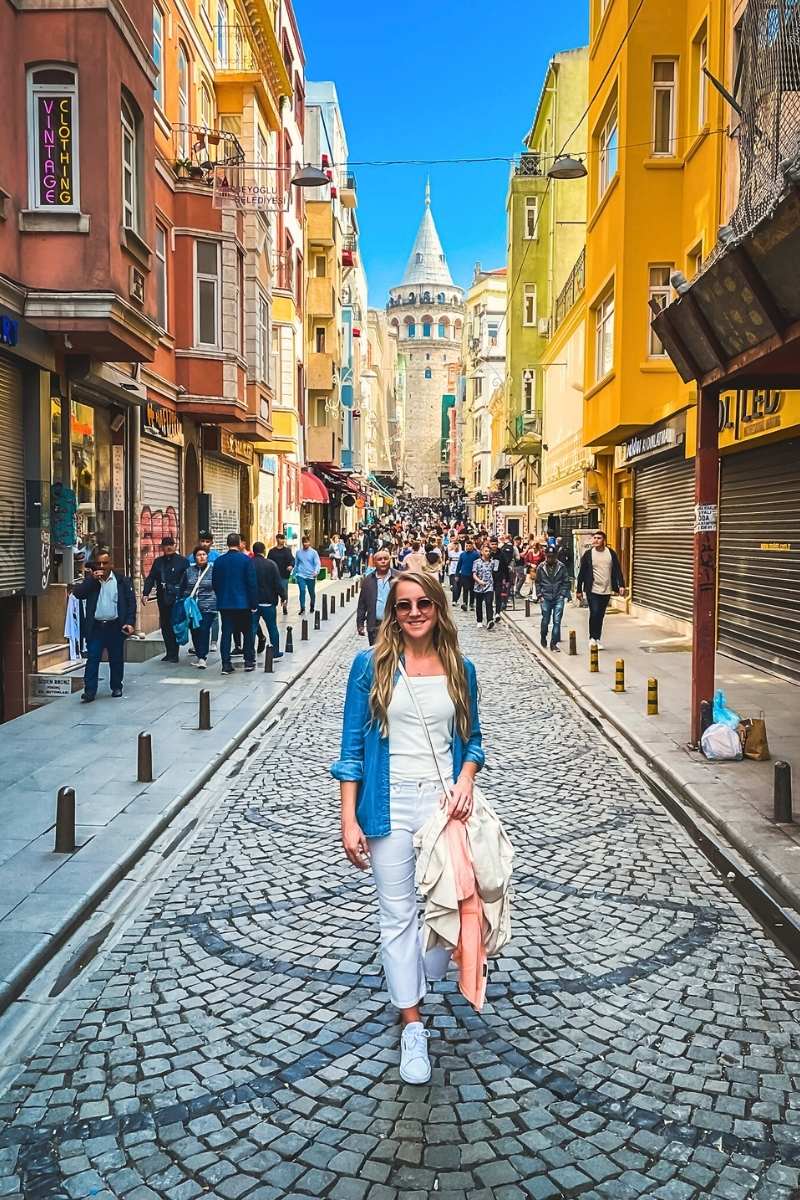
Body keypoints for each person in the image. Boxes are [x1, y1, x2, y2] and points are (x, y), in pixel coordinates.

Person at [332, 571, 484, 1084]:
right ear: (391, 613)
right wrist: (348, 816)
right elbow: (351, 751)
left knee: (454, 910)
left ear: (438, 607)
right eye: (403, 606)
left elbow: (474, 741)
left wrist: (465, 779)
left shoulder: (461, 669)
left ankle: (418, 977)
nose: (414, 612)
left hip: (445, 809)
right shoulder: (369, 666)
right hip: (387, 807)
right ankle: (413, 1024)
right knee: (397, 917)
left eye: (423, 603)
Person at [73, 548, 136, 702]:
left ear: (111, 564)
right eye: (99, 563)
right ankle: (89, 691)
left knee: (116, 658)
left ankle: (116, 686)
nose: (102, 566)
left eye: (105, 563)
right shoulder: (92, 581)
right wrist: (91, 580)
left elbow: (130, 603)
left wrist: (129, 622)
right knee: (93, 658)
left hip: (115, 626)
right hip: (96, 627)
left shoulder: (121, 581)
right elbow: (78, 594)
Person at [211, 533, 258, 674]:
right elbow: (251, 583)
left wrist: (222, 596)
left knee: (226, 633)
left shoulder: (219, 561)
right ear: (239, 543)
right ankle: (248, 661)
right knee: (247, 633)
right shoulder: (246, 560)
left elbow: (215, 583)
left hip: (225, 604)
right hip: (243, 604)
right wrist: (254, 604)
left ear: (227, 544)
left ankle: (226, 664)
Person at [142, 536, 190, 664]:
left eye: (171, 544)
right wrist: (145, 593)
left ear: (175, 546)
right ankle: (169, 652)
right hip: (163, 598)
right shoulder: (158, 562)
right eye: (166, 545)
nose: (168, 547)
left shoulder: (182, 562)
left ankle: (175, 653)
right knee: (165, 625)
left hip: (177, 599)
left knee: (175, 624)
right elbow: (151, 578)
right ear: (162, 547)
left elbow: (188, 580)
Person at [576, 530, 626, 649]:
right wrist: (578, 590)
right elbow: (582, 573)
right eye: (595, 538)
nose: (596, 540)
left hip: (607, 589)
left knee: (601, 615)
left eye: (599, 538)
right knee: (595, 612)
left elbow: (617, 570)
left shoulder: (611, 553)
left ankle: (597, 638)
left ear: (604, 540)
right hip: (592, 589)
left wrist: (621, 585)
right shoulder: (588, 554)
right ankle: (592, 638)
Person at [180, 545, 218, 668]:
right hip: (192, 608)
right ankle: (199, 653)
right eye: (198, 555)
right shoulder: (189, 571)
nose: (201, 557)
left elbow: (218, 587)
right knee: (194, 630)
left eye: (204, 555)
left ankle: (202, 657)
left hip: (208, 606)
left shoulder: (214, 571)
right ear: (194, 557)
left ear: (207, 556)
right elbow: (183, 587)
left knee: (203, 629)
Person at [252, 541, 285, 661]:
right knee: (272, 627)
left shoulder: (249, 564)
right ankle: (275, 651)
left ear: (254, 551)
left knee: (252, 628)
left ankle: (250, 653)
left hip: (253, 603)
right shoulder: (271, 564)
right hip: (268, 601)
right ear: (264, 551)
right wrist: (283, 596)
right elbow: (278, 582)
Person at [357, 548, 396, 645]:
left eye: (385, 559)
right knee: (375, 654)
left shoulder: (398, 578)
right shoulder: (368, 580)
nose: (383, 561)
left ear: (389, 560)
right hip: (374, 625)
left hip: (394, 625)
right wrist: (360, 624)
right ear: (374, 562)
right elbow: (362, 604)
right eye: (380, 559)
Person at [535, 547, 571, 652]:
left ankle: (553, 643)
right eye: (548, 556)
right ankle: (543, 635)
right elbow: (537, 582)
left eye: (552, 556)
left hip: (558, 596)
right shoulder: (541, 567)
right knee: (545, 620)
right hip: (545, 597)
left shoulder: (561, 567)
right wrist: (539, 595)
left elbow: (566, 581)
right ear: (545, 556)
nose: (550, 559)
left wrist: (562, 594)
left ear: (556, 556)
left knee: (557, 621)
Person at [267, 532, 295, 616]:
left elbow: (292, 560)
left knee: (284, 591)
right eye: (280, 539)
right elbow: (268, 561)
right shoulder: (272, 551)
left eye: (283, 539)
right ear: (277, 540)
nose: (282, 540)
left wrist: (291, 566)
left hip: (284, 574)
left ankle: (284, 606)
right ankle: (274, 605)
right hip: (274, 575)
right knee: (274, 591)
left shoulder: (287, 550)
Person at [294, 535, 321, 614]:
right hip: (301, 575)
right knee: (302, 591)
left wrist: (316, 571)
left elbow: (317, 563)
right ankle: (302, 607)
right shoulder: (298, 552)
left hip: (311, 576)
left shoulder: (313, 552)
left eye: (307, 542)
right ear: (302, 543)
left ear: (309, 542)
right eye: (304, 542)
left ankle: (312, 605)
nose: (305, 544)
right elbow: (296, 564)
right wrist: (294, 574)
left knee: (311, 592)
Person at [472, 544, 495, 630]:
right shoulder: (476, 562)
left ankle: (490, 620)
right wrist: (479, 581)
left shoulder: (492, 562)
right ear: (481, 552)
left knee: (489, 602)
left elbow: (494, 572)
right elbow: (474, 574)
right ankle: (479, 620)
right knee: (479, 604)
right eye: (486, 551)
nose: (488, 553)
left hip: (489, 585)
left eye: (489, 551)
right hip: (479, 586)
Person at [454, 538, 479, 611]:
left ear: (472, 546)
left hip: (473, 574)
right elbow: (459, 565)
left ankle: (471, 603)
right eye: (466, 546)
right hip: (464, 574)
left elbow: (478, 564)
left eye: (469, 546)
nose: (468, 547)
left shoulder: (476, 554)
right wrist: (457, 574)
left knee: (472, 590)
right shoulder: (462, 554)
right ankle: (465, 603)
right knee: (465, 589)